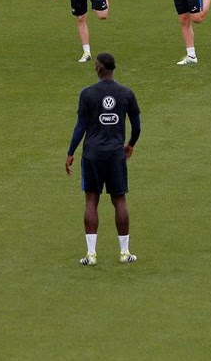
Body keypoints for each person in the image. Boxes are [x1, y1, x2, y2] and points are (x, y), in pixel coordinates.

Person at [65, 52, 141, 266]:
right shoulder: (126, 93)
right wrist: (130, 145)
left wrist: (71, 152)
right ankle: (125, 253)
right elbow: (137, 126)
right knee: (119, 200)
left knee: (91, 200)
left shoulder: (87, 94)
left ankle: (91, 255)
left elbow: (80, 126)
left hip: (92, 154)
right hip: (116, 154)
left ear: (99, 68)